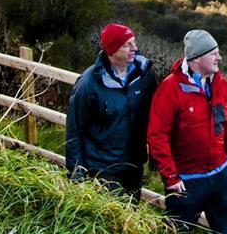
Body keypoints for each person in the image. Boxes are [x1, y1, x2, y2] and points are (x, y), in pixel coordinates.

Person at [146, 29, 227, 233]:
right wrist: (171, 177)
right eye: (213, 53)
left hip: (221, 174)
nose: (220, 58)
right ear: (197, 58)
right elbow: (157, 136)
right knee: (177, 230)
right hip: (186, 179)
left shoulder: (223, 87)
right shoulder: (170, 89)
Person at [65, 23, 160, 200]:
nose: (135, 48)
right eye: (127, 45)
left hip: (133, 166)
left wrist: (156, 154)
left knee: (130, 219)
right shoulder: (89, 84)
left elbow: (155, 115)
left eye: (134, 42)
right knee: (110, 222)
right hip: (102, 169)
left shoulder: (144, 76)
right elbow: (74, 132)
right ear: (112, 50)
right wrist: (76, 176)